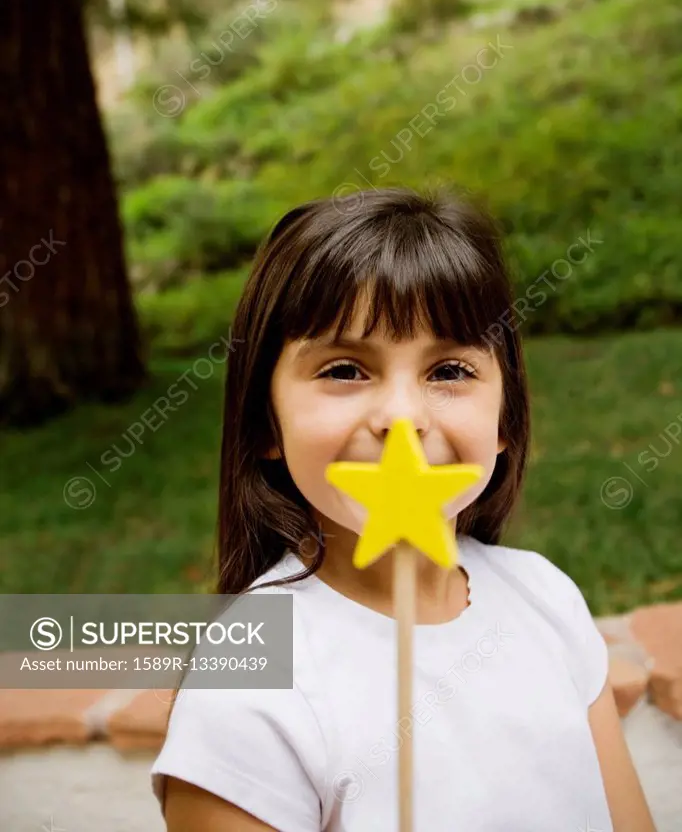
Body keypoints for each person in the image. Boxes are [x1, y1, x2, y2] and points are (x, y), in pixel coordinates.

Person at [150, 185, 656, 832]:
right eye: (343, 369)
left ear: (506, 418)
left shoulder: (546, 599)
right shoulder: (249, 684)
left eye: (448, 371)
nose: (402, 417)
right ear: (265, 424)